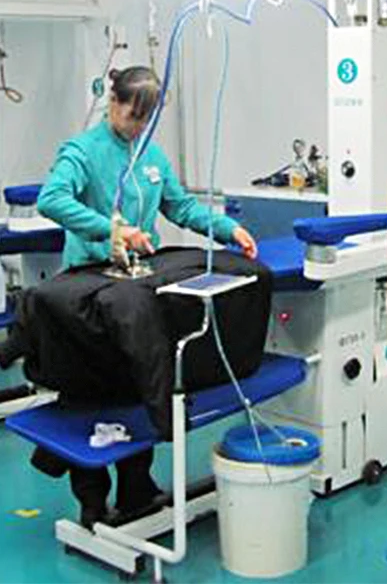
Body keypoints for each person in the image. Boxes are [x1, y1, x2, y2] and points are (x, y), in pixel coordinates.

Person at [35, 65, 258, 529]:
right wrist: (111, 229)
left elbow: (180, 206)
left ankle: (137, 489)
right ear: (112, 102)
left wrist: (227, 228)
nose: (138, 126)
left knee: (139, 383)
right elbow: (51, 199)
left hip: (136, 285)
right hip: (89, 286)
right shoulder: (82, 151)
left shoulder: (151, 155)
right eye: (133, 115)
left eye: (147, 118)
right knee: (90, 391)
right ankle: (91, 500)